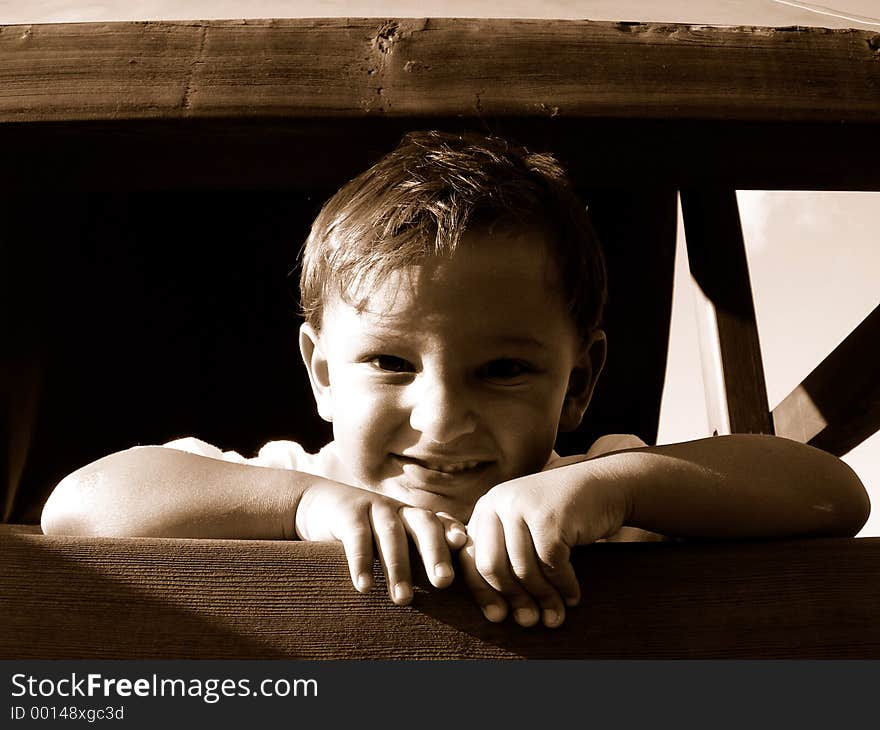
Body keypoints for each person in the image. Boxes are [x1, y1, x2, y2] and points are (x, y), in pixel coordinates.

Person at [41, 130, 870, 629]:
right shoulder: (290, 485)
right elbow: (77, 506)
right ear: (321, 373)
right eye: (390, 363)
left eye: (503, 369)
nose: (442, 419)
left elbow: (832, 492)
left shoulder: (585, 493)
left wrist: (620, 489)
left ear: (578, 385)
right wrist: (304, 508)